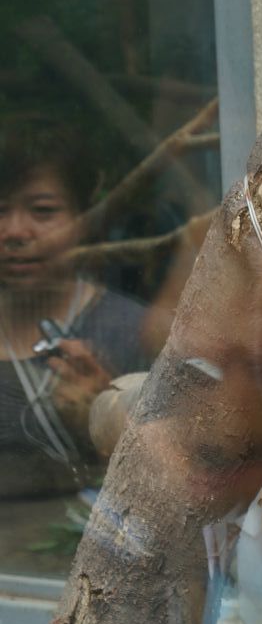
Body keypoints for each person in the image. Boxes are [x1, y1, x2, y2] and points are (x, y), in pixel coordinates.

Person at [0, 120, 147, 570]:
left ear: (85, 219)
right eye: (0, 209)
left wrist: (102, 416)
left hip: (86, 578)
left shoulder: (130, 330)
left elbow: (184, 484)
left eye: (43, 211)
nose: (15, 231)